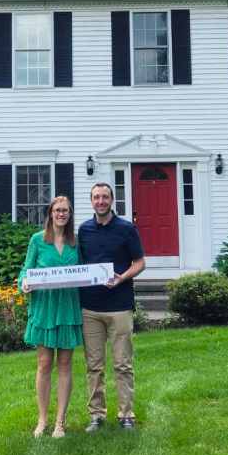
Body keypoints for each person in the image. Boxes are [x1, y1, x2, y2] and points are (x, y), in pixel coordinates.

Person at [77, 182, 146, 432]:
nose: (101, 201)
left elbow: (140, 262)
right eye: (96, 197)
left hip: (120, 306)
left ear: (112, 200)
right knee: (94, 365)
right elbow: (78, 265)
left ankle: (126, 414)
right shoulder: (84, 230)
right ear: (91, 201)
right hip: (90, 308)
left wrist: (121, 277)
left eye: (105, 197)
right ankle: (96, 415)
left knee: (123, 364)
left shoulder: (126, 229)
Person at [18, 196, 83, 438]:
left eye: (65, 210)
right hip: (45, 308)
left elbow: (86, 271)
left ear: (70, 214)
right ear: (50, 213)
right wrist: (23, 282)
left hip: (67, 307)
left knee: (65, 364)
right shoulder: (37, 240)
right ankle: (42, 420)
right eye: (57, 210)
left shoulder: (76, 242)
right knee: (44, 364)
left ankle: (60, 422)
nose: (61, 214)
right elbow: (26, 269)